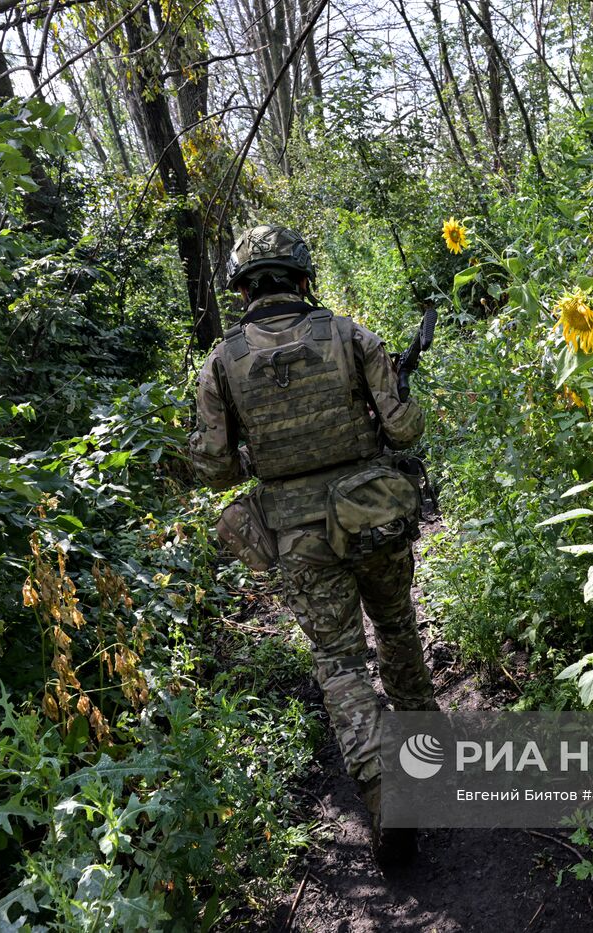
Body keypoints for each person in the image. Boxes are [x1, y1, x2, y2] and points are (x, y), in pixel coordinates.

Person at [189, 224, 439, 868]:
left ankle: (383, 790)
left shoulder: (221, 364)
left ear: (243, 291)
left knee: (340, 661)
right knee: (396, 627)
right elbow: (404, 431)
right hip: (374, 515)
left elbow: (213, 469)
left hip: (299, 536)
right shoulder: (352, 335)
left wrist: (258, 454)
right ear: (303, 279)